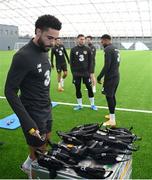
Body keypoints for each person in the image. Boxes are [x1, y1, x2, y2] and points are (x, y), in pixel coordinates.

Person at [4, 15, 62, 177]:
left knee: (45, 144)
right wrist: (27, 120)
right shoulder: (23, 56)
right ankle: (32, 173)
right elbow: (9, 91)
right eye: (49, 37)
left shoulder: (45, 50)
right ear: (38, 31)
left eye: (55, 39)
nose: (52, 42)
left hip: (46, 107)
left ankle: (27, 165)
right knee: (40, 154)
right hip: (32, 112)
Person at [97, 34, 120, 127]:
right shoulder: (115, 48)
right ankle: (111, 115)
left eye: (102, 41)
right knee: (112, 96)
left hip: (110, 77)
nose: (101, 43)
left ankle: (112, 120)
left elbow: (107, 65)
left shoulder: (107, 49)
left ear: (106, 40)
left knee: (109, 97)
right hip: (116, 75)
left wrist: (99, 77)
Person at [70, 34, 98, 111]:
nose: (82, 40)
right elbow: (71, 62)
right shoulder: (73, 50)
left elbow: (90, 61)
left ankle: (92, 105)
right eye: (81, 39)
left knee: (89, 88)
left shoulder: (88, 49)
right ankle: (80, 105)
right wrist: (73, 72)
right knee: (77, 89)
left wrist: (90, 72)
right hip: (76, 73)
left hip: (86, 73)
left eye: (83, 39)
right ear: (77, 40)